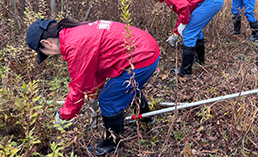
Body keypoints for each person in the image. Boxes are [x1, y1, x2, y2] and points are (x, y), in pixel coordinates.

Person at [26, 18, 160, 156]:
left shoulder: (75, 45)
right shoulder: (73, 33)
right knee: (122, 88)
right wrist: (92, 99)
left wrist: (64, 115)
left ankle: (113, 144)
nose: (49, 55)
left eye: (45, 52)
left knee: (108, 99)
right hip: (145, 46)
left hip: (142, 57)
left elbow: (79, 87)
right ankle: (145, 118)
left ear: (46, 43)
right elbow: (96, 71)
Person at [142, 0, 224, 76]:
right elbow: (183, 13)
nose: (154, 1)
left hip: (210, 0)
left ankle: (186, 71)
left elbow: (184, 7)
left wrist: (183, 26)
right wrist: (176, 33)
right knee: (195, 29)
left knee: (189, 32)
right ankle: (199, 61)